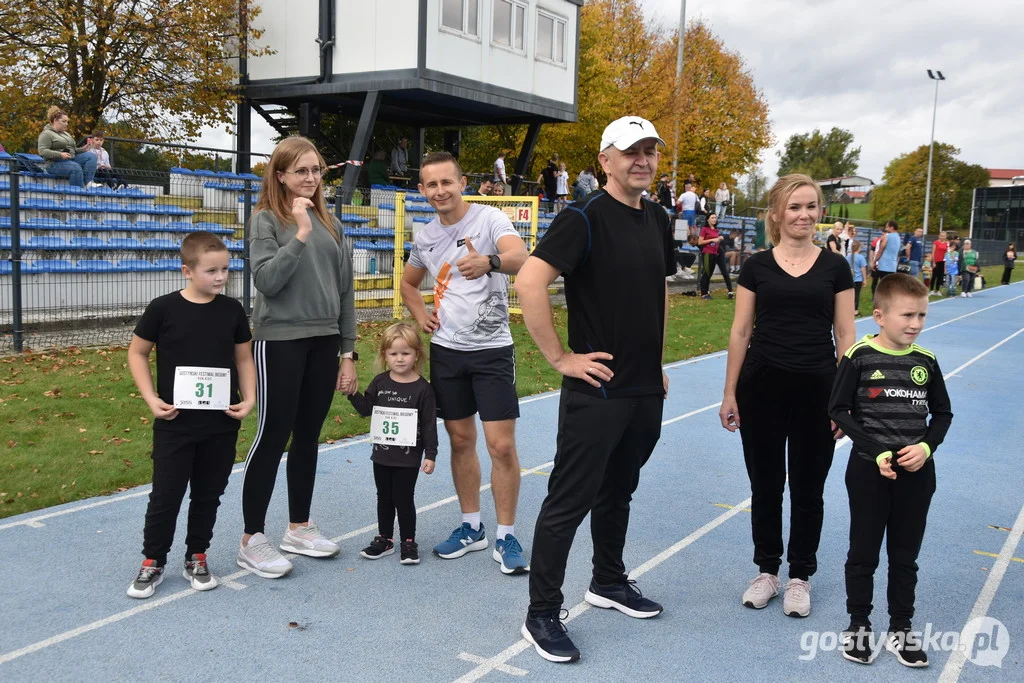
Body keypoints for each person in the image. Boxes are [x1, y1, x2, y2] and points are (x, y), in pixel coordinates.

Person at [514, 115, 673, 663]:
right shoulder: (581, 218)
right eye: (631, 152)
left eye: (650, 151)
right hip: (598, 390)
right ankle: (541, 613)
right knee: (569, 500)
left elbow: (659, 292)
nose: (643, 161)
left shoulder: (657, 218)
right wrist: (559, 357)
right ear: (605, 160)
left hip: (644, 388)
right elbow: (529, 281)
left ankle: (607, 580)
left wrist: (657, 360)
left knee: (619, 489)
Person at [719, 173, 856, 618]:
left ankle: (800, 576)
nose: (804, 215)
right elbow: (741, 331)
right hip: (761, 386)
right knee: (765, 484)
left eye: (812, 206)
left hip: (817, 387)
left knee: (808, 487)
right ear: (777, 213)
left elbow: (846, 336)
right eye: (795, 207)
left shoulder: (836, 267)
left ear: (820, 211)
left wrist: (844, 400)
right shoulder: (757, 266)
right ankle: (767, 571)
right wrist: (729, 393)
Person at [399, 151, 531, 574]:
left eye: (446, 182)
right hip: (447, 352)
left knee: (502, 445)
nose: (440, 190)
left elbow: (521, 256)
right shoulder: (425, 237)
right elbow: (408, 283)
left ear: (461, 182)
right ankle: (471, 527)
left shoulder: (490, 219)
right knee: (460, 441)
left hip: (492, 350)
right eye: (431, 185)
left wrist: (489, 261)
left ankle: (506, 534)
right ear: (422, 190)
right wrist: (421, 316)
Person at [237, 136, 357, 578]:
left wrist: (349, 352)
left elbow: (345, 293)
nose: (310, 178)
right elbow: (267, 281)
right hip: (280, 341)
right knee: (272, 435)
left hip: (325, 342)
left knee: (307, 437)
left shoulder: (333, 223)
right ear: (281, 175)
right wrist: (301, 234)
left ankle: (299, 526)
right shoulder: (266, 220)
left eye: (317, 170)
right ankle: (252, 538)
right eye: (301, 171)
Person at [828, 273, 953, 667]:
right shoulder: (859, 357)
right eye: (907, 315)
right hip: (868, 470)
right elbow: (838, 410)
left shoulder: (926, 362)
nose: (915, 324)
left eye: (921, 316)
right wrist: (877, 450)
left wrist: (926, 446)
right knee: (863, 552)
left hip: (917, 474)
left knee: (905, 556)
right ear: (879, 316)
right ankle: (859, 625)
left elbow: (943, 414)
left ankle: (901, 627)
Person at [125, 231, 256, 598]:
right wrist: (151, 398)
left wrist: (249, 399)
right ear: (187, 270)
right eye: (211, 270)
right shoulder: (163, 308)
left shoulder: (231, 311)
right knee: (166, 493)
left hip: (219, 423)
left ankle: (197, 554)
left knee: (209, 493)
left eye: (226, 270)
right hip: (175, 423)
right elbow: (137, 353)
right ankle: (153, 560)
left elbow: (243, 358)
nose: (220, 277)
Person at [345, 322, 438, 565]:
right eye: (393, 353)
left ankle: (408, 541)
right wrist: (351, 394)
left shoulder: (423, 389)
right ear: (384, 355)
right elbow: (366, 410)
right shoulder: (380, 382)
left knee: (404, 498)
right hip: (382, 455)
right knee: (384, 497)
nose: (399, 359)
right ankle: (384, 538)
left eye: (405, 353)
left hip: (408, 457)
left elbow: (429, 424)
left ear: (417, 354)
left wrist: (431, 454)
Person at [37, 106, 98, 188]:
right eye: (64, 121)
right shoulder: (46, 134)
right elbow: (42, 151)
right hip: (54, 163)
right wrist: (60, 154)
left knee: (91, 156)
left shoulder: (66, 134)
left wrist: (83, 149)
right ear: (55, 121)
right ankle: (77, 193)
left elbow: (73, 150)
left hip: (70, 159)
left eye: (67, 122)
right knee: (75, 168)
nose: (67, 124)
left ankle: (88, 182)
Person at [698, 212, 734, 300]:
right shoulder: (704, 229)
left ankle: (729, 292)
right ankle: (704, 294)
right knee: (707, 273)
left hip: (715, 253)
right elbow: (700, 242)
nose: (714, 219)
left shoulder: (715, 229)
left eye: (715, 218)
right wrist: (712, 240)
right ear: (708, 219)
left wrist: (719, 239)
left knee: (711, 273)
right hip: (707, 253)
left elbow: (716, 241)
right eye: (712, 218)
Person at [872, 221, 901, 298]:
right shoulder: (898, 237)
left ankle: (883, 299)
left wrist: (875, 261)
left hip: (884, 264)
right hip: (892, 265)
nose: (886, 228)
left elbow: (881, 250)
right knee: (890, 285)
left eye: (887, 227)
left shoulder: (887, 236)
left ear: (892, 227)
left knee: (883, 284)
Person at [848, 240, 868, 316]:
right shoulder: (861, 257)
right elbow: (863, 269)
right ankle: (855, 310)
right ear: (859, 248)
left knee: (850, 295)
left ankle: (848, 308)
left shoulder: (848, 256)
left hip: (850, 279)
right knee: (856, 294)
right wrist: (865, 279)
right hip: (858, 279)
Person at [929, 231, 948, 295]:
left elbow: (947, 253)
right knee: (934, 276)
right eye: (941, 236)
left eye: (944, 236)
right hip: (937, 261)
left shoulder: (947, 243)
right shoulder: (936, 242)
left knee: (940, 276)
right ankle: (931, 290)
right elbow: (933, 252)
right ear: (939, 236)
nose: (942, 237)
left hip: (943, 261)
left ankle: (937, 290)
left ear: (946, 236)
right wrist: (933, 262)